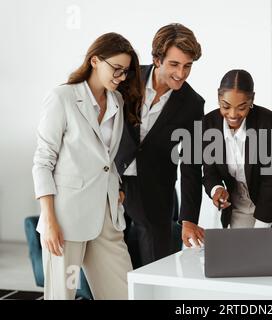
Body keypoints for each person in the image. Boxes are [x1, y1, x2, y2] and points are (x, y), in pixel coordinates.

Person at [32, 32, 144, 299]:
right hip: (66, 218)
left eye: (125, 72)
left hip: (106, 217)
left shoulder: (116, 101)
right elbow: (42, 161)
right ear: (95, 60)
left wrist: (116, 188)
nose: (120, 77)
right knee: (62, 295)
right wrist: (48, 219)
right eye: (116, 69)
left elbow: (108, 159)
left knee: (124, 293)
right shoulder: (63, 98)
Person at [115, 23, 204, 267]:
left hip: (156, 193)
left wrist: (188, 218)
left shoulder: (193, 104)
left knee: (157, 269)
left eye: (188, 66)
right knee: (109, 267)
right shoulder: (126, 79)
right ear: (157, 59)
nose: (182, 74)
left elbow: (192, 163)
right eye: (174, 64)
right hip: (112, 182)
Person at [182, 69, 272, 246]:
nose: (233, 114)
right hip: (238, 202)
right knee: (240, 256)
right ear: (218, 98)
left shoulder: (269, 123)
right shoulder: (206, 125)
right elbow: (208, 171)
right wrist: (216, 189)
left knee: (271, 258)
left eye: (242, 107)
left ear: (252, 100)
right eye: (226, 106)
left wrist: (260, 234)